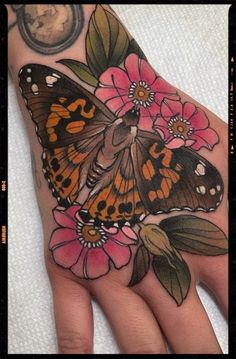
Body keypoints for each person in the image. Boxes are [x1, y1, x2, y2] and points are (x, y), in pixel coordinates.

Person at [7, 4, 228, 354]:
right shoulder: (155, 153)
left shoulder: (97, 117)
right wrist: (65, 50)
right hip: (116, 188)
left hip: (76, 160)